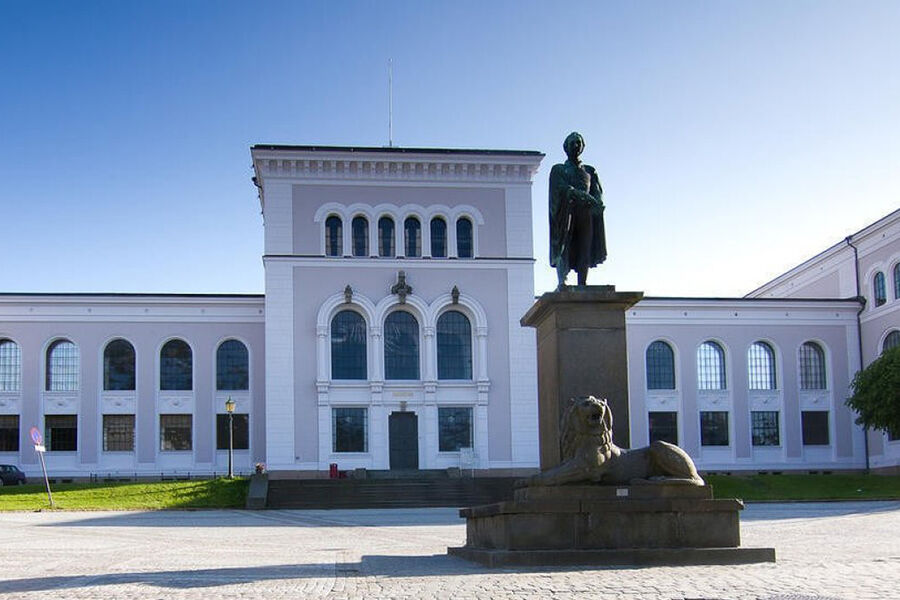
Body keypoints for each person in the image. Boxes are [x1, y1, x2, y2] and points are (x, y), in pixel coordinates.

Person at [549, 132, 607, 288]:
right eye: (572, 143)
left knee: (585, 246)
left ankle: (583, 282)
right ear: (565, 147)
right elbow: (559, 189)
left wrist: (598, 203)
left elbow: (597, 191)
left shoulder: (589, 171)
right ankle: (563, 281)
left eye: (578, 143)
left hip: (586, 214)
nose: (576, 146)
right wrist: (578, 193)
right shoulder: (559, 170)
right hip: (566, 212)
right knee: (564, 245)